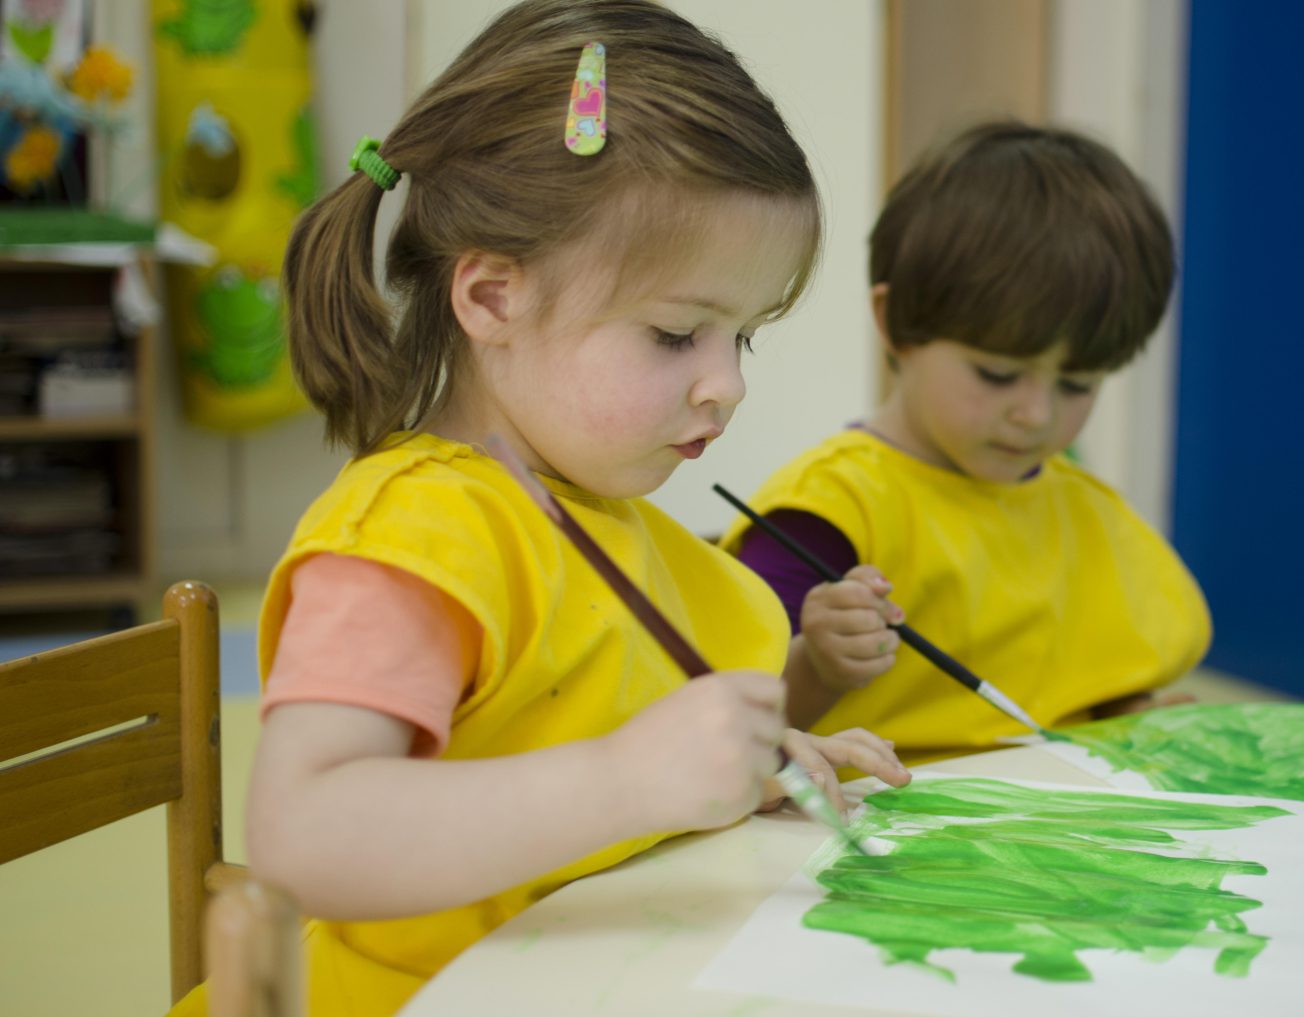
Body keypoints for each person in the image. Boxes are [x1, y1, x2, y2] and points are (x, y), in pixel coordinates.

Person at [171, 4, 907, 1014]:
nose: (726, 385)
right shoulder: (415, 533)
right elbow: (307, 838)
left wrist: (742, 772)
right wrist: (628, 780)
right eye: (676, 333)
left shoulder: (594, 503)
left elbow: (579, 738)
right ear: (491, 298)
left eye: (745, 336)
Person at [722, 121, 1211, 767]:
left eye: (1077, 383)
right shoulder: (831, 509)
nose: (1035, 415)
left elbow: (1087, 687)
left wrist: (1131, 716)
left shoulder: (1085, 511)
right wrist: (820, 664)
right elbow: (726, 721)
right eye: (998, 373)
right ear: (896, 323)